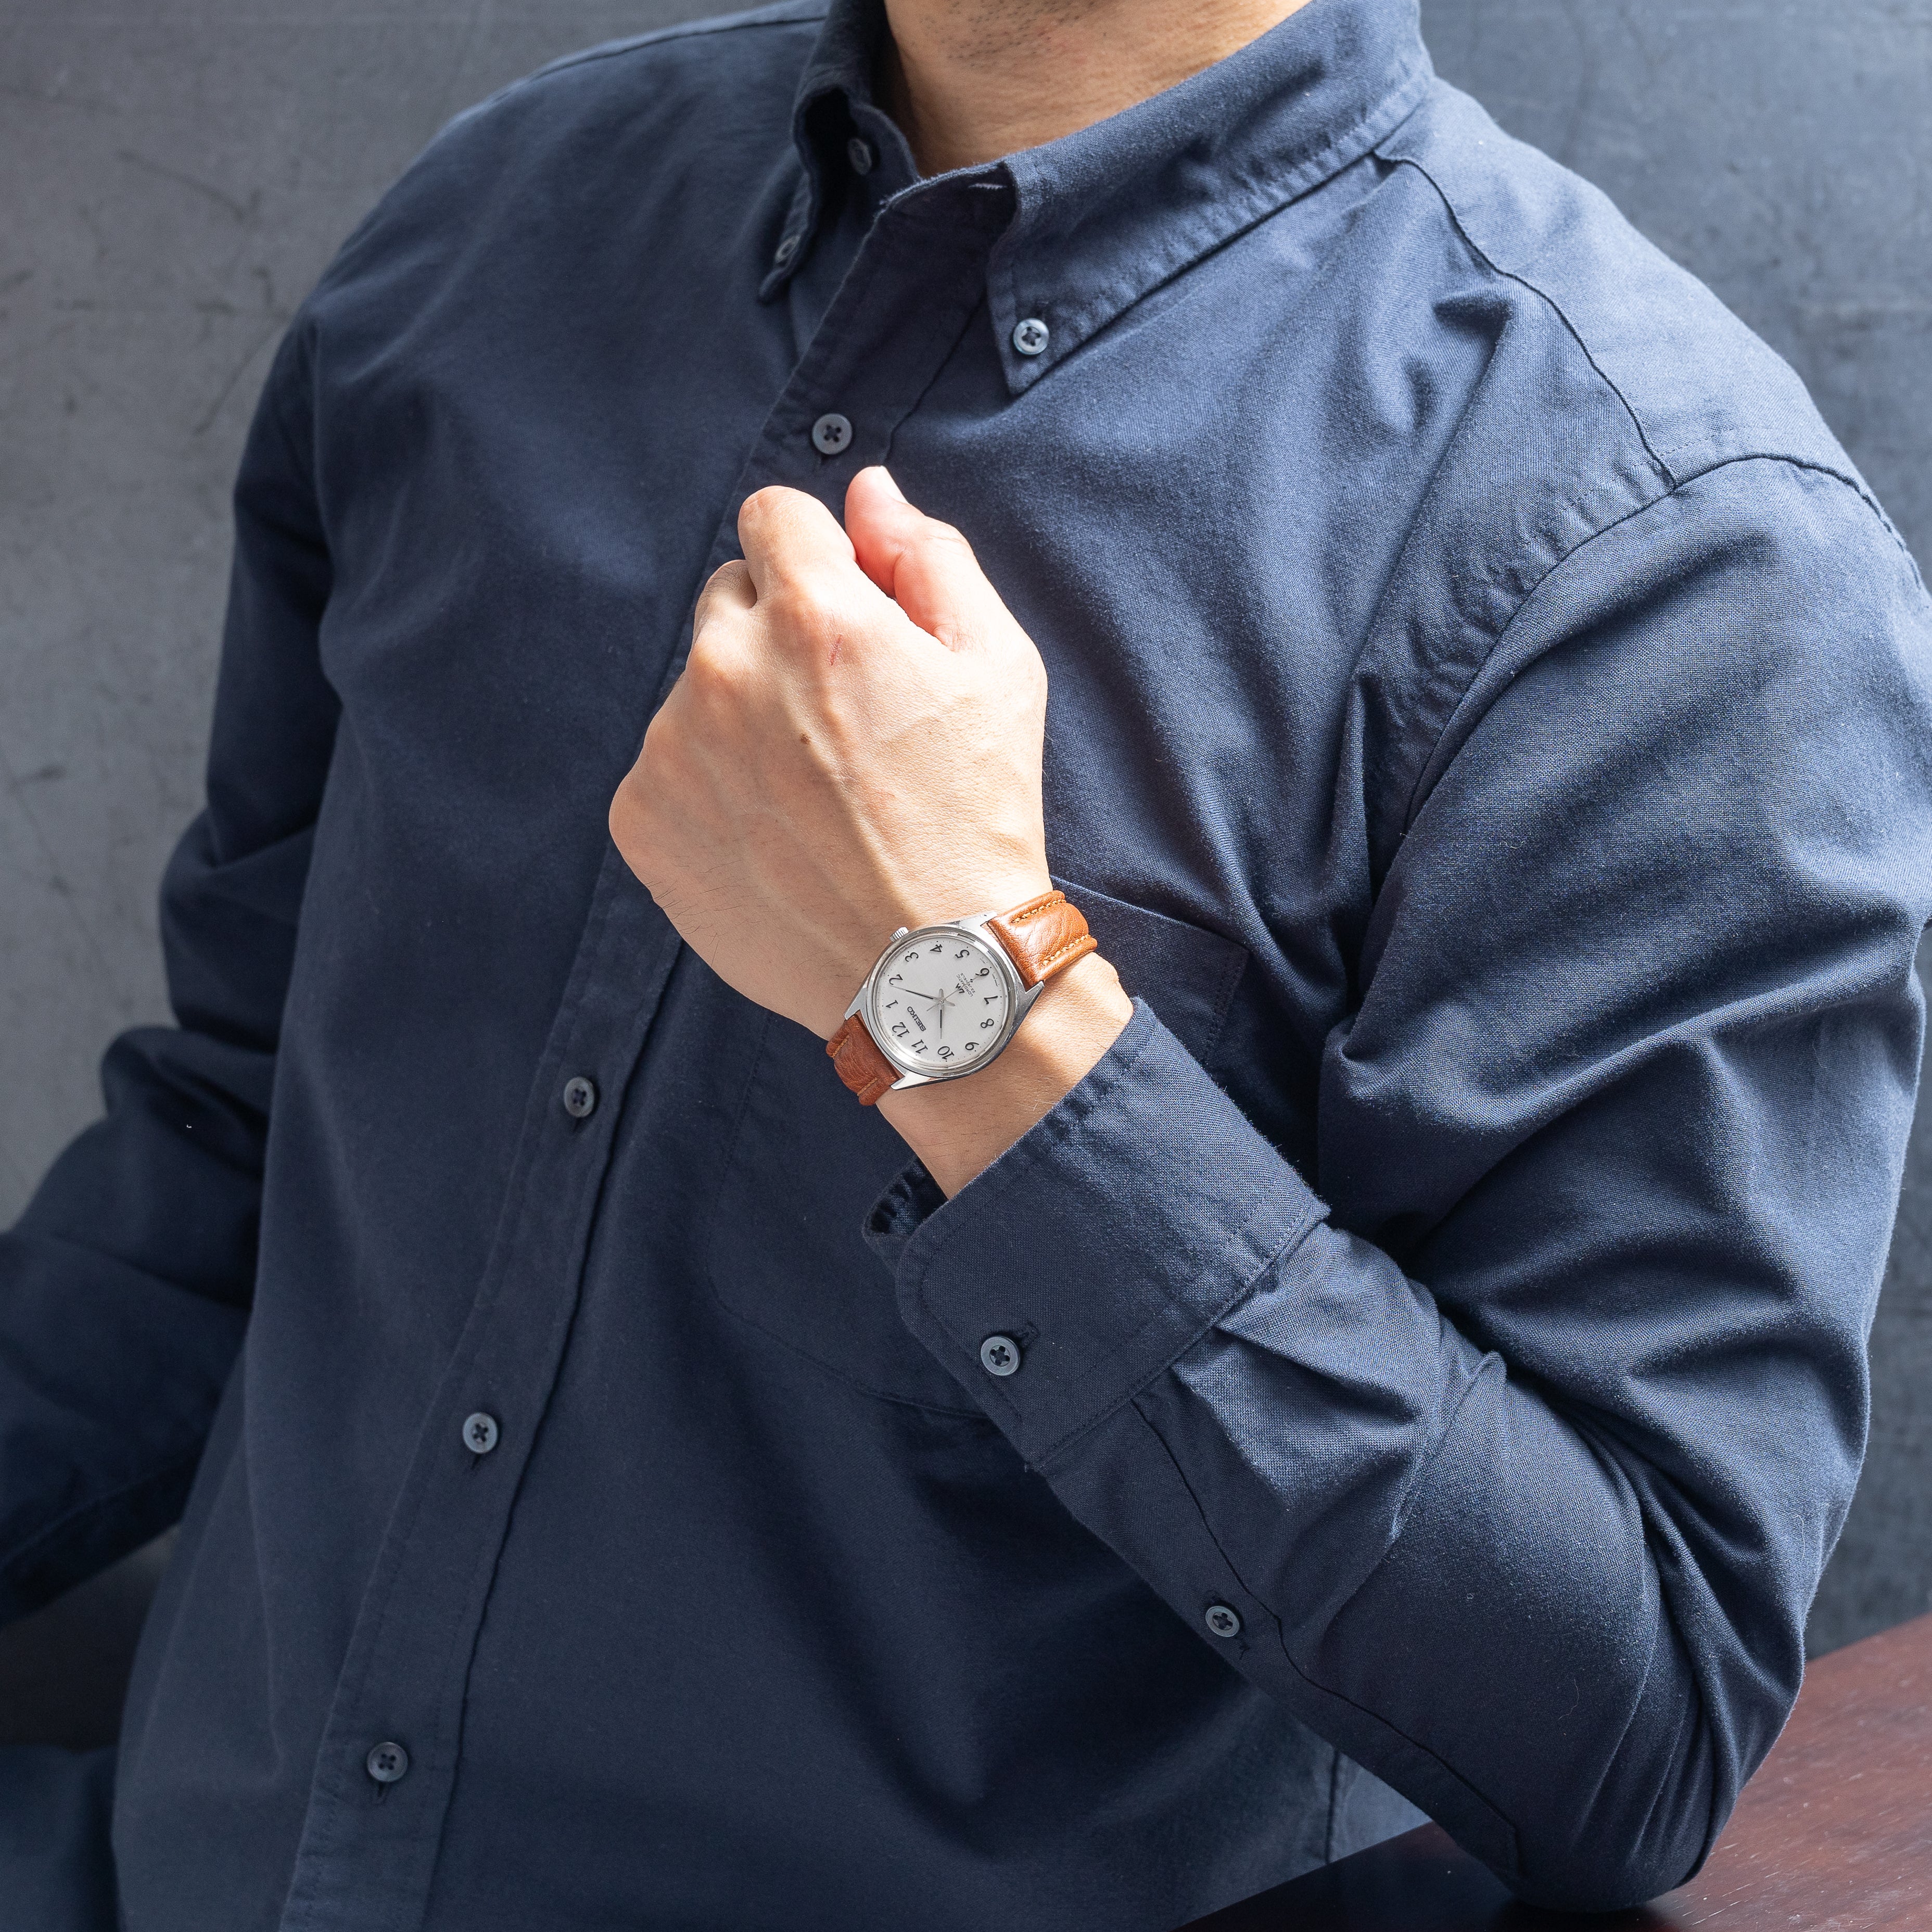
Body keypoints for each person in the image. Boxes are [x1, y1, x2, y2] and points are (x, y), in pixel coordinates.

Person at [3, 0, 1929, 1924]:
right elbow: (239, 1133)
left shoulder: (1680, 565)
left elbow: (1637, 1722)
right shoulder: (485, 234)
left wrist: (963, 1002)